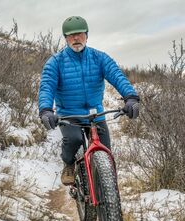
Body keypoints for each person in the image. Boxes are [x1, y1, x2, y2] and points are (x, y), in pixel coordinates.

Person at [38, 16, 140, 185]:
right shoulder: (55, 62)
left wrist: (131, 97)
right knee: (74, 140)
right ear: (65, 38)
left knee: (106, 153)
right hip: (69, 115)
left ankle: (106, 193)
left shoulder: (99, 58)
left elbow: (117, 76)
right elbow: (47, 87)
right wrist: (46, 110)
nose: (76, 38)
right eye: (71, 35)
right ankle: (69, 164)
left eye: (79, 34)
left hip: (96, 113)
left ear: (86, 35)